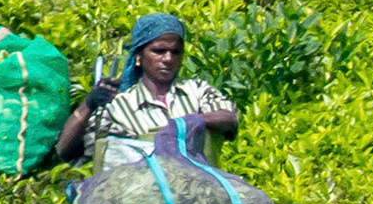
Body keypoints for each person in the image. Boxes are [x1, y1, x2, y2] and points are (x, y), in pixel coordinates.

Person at [53, 13, 239, 166]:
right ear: (139, 57)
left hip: (202, 196)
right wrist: (88, 105)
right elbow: (65, 151)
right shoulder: (119, 107)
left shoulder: (197, 91)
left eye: (175, 52)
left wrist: (188, 122)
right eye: (158, 51)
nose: (168, 59)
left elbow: (229, 119)